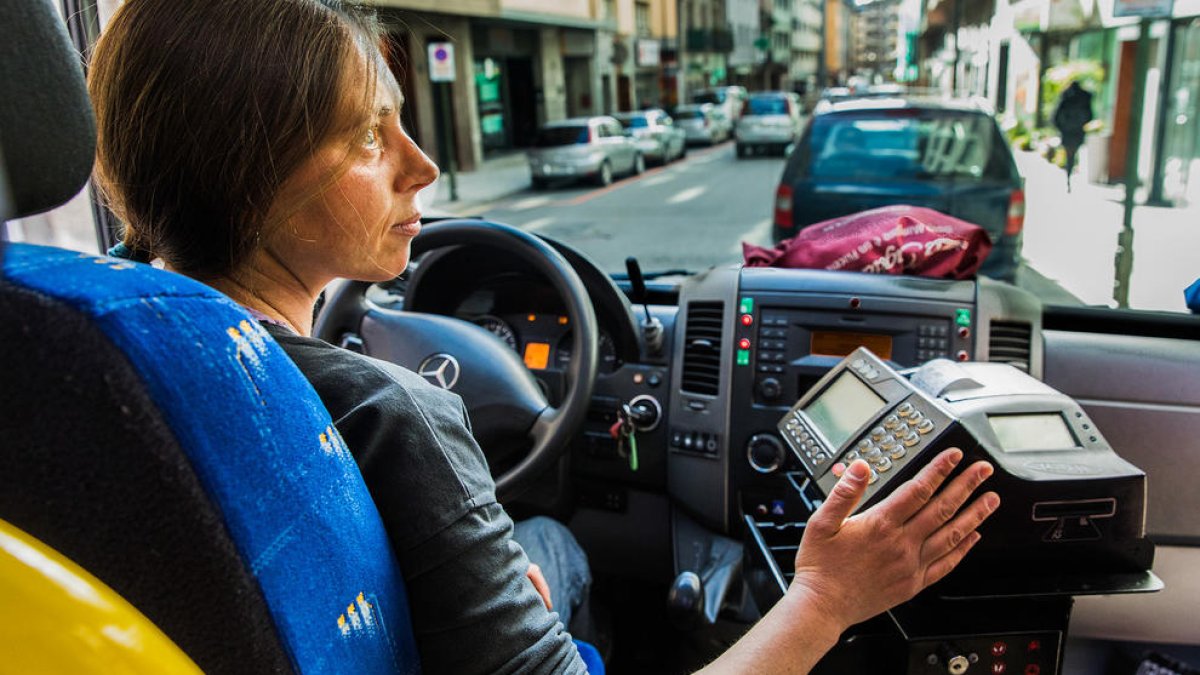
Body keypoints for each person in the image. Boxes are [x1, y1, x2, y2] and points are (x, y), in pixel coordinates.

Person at [88, 1, 1000, 673]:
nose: (424, 165)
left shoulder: (83, 346)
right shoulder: (389, 413)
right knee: (555, 548)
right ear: (249, 172)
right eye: (372, 136)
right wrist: (826, 597)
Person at [1053, 81, 1094, 192]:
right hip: (1075, 132)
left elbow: (1056, 116)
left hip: (1068, 132)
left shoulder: (1066, 98)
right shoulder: (1082, 98)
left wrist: (1062, 127)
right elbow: (1089, 116)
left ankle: (1068, 176)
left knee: (1070, 155)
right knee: (1071, 155)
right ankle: (1068, 176)